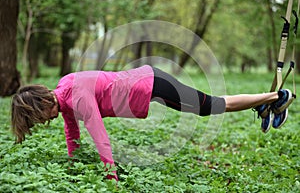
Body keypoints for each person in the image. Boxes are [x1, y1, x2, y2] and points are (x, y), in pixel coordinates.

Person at [11, 65, 294, 180]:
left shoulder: (78, 97)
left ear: (42, 105)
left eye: (35, 118)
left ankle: (275, 97)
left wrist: (111, 177)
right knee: (211, 105)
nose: (39, 123)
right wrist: (72, 167)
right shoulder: (63, 88)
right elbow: (71, 128)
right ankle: (263, 104)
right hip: (148, 81)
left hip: (152, 85)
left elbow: (99, 136)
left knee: (211, 106)